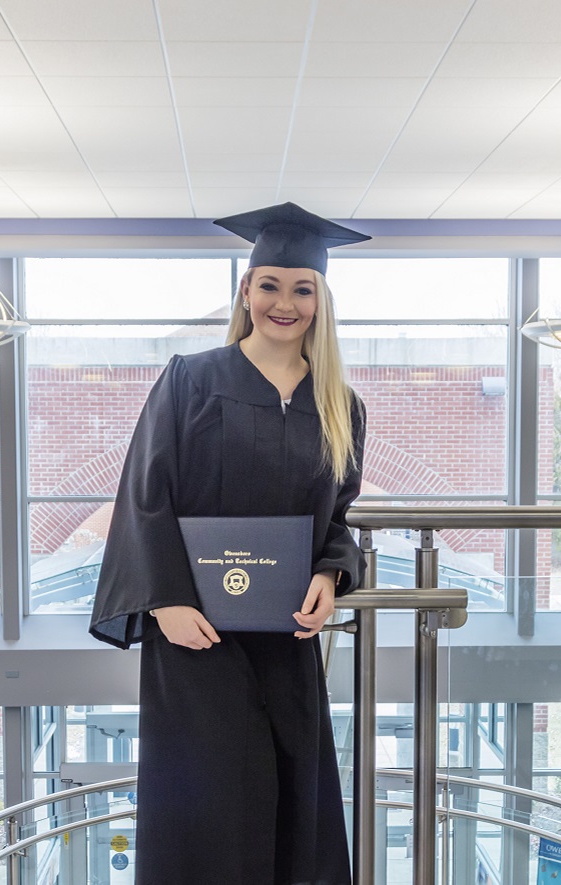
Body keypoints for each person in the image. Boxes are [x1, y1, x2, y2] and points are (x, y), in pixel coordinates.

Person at [90, 202, 370, 885]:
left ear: (320, 300)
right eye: (269, 285)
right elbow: (144, 495)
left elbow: (337, 518)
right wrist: (165, 603)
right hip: (196, 640)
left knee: (289, 807)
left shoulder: (341, 405)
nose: (284, 302)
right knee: (203, 813)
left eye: (302, 288)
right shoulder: (191, 380)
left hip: (286, 641)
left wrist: (331, 577)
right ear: (246, 291)